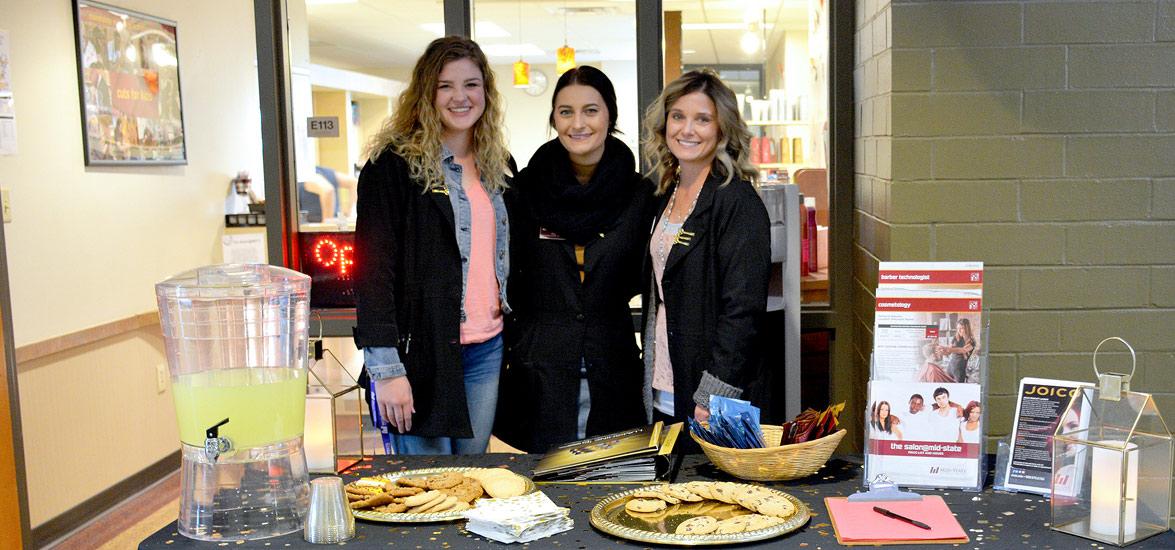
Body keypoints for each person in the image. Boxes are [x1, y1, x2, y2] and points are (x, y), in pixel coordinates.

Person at [352, 36, 513, 455]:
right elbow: (372, 273)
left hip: (486, 349)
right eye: (446, 86)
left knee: (473, 481)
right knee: (426, 490)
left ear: (486, 92)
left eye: (471, 84)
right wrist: (386, 370)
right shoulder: (391, 165)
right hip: (420, 355)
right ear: (427, 93)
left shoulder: (498, 165)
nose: (460, 97)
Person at [494, 66, 654, 452]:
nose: (577, 123)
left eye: (590, 110)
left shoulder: (641, 195)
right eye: (565, 112)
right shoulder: (523, 191)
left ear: (610, 115)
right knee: (543, 492)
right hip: (539, 372)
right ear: (553, 118)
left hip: (612, 367)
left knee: (610, 492)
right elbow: (507, 275)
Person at [639, 69, 772, 424]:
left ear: (721, 129)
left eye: (702, 119)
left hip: (710, 396)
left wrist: (713, 393)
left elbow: (743, 310)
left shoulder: (737, 201)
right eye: (678, 116)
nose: (687, 129)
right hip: (666, 383)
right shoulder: (667, 193)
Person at [943, 318, 976, 383]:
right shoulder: (955, 338)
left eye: (961, 328)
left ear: (967, 328)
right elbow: (949, 351)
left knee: (959, 389)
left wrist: (948, 349)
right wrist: (943, 350)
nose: (959, 330)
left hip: (960, 369)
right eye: (958, 328)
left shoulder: (972, 341)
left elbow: (963, 350)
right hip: (951, 367)